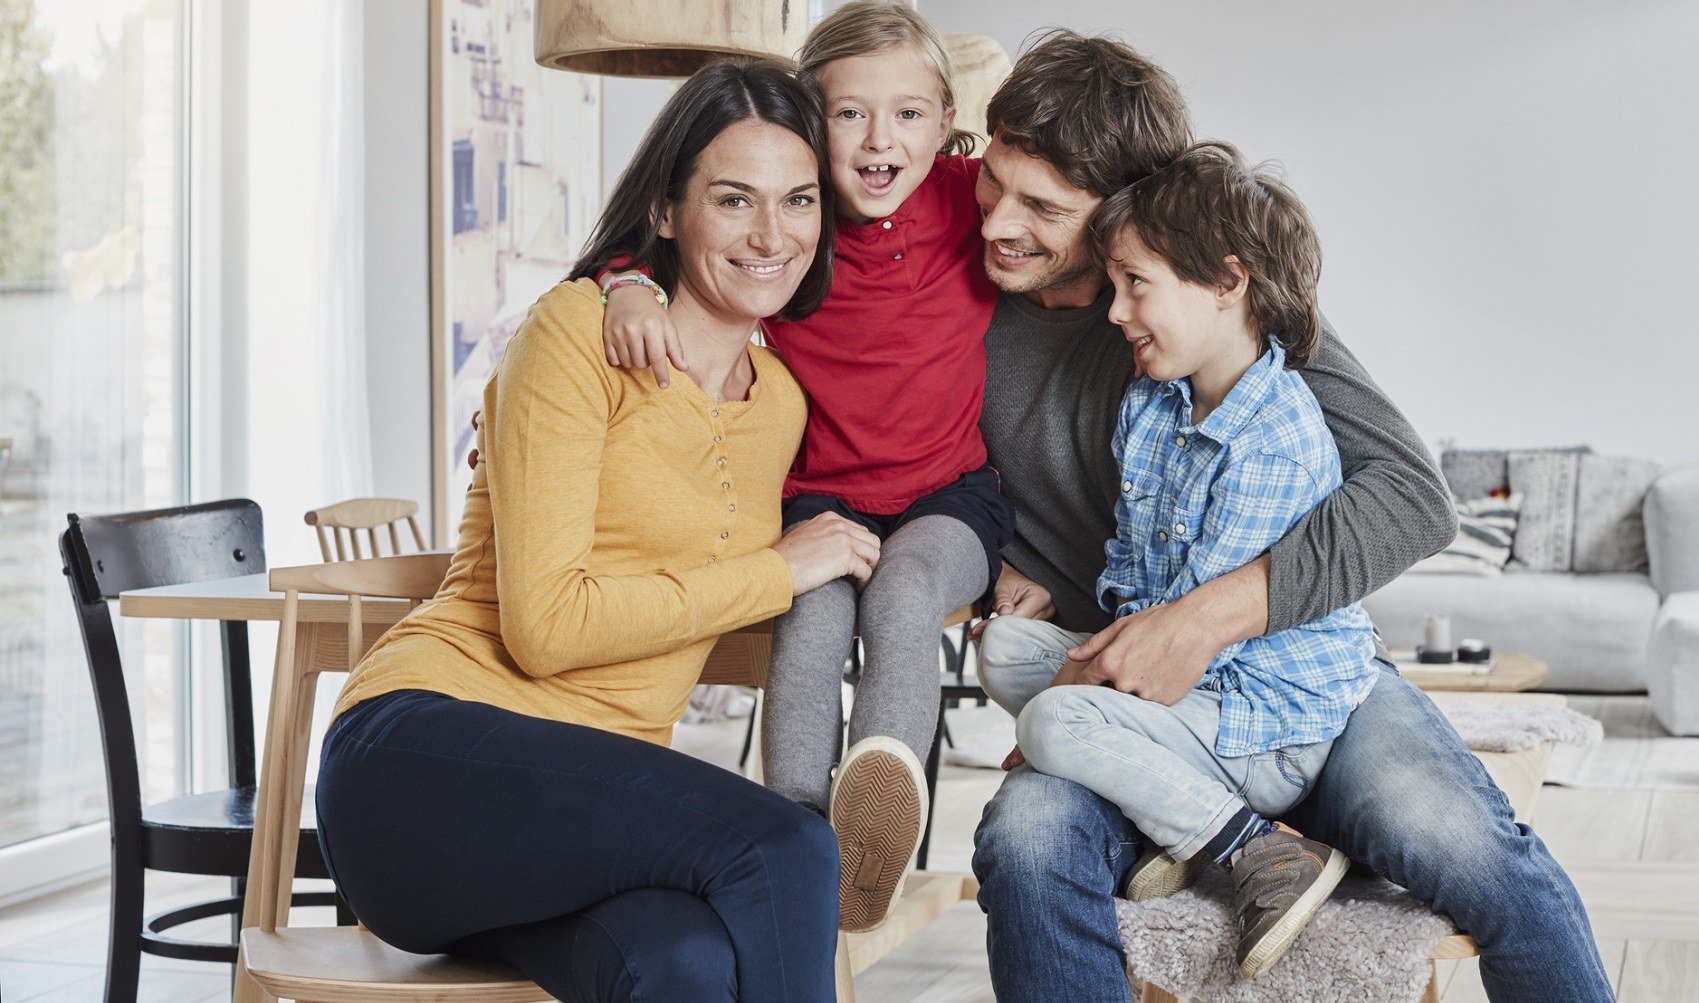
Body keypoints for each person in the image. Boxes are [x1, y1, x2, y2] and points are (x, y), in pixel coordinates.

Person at [965, 30, 1616, 1002]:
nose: (995, 225)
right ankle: (1231, 838)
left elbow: (1408, 493)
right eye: (992, 181)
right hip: (1117, 678)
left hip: (1289, 671)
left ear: (1122, 215)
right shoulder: (949, 286)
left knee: (1461, 839)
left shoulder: (1210, 305)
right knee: (1022, 839)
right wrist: (993, 556)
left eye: (1042, 208)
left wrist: (1203, 618)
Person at [314, 58, 880, 1003]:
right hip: (419, 763)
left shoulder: (779, 400)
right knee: (784, 841)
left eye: (799, 201)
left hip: (582, 821)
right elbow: (546, 627)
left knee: (680, 963)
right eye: (735, 199)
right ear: (666, 210)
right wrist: (777, 571)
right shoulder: (578, 331)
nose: (772, 234)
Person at [595, 1, 1012, 933]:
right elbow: (653, 237)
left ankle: (875, 830)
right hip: (816, 501)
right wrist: (625, 284)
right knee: (813, 618)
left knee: (905, 596)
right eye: (850, 113)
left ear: (946, 124)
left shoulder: (970, 198)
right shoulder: (793, 223)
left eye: (908, 113)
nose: (879, 139)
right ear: (809, 126)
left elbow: (1066, 207)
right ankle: (793, 828)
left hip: (951, 494)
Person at [979, 140, 1378, 981]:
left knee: (1053, 723)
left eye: (1136, 286)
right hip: (1183, 693)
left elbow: (1190, 640)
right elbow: (1131, 562)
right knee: (1006, 650)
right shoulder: (1153, 402)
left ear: (1228, 283)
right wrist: (1078, 664)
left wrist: (1077, 698)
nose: (1116, 311)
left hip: (1262, 719)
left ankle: (1259, 849)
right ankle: (1183, 818)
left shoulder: (1276, 439)